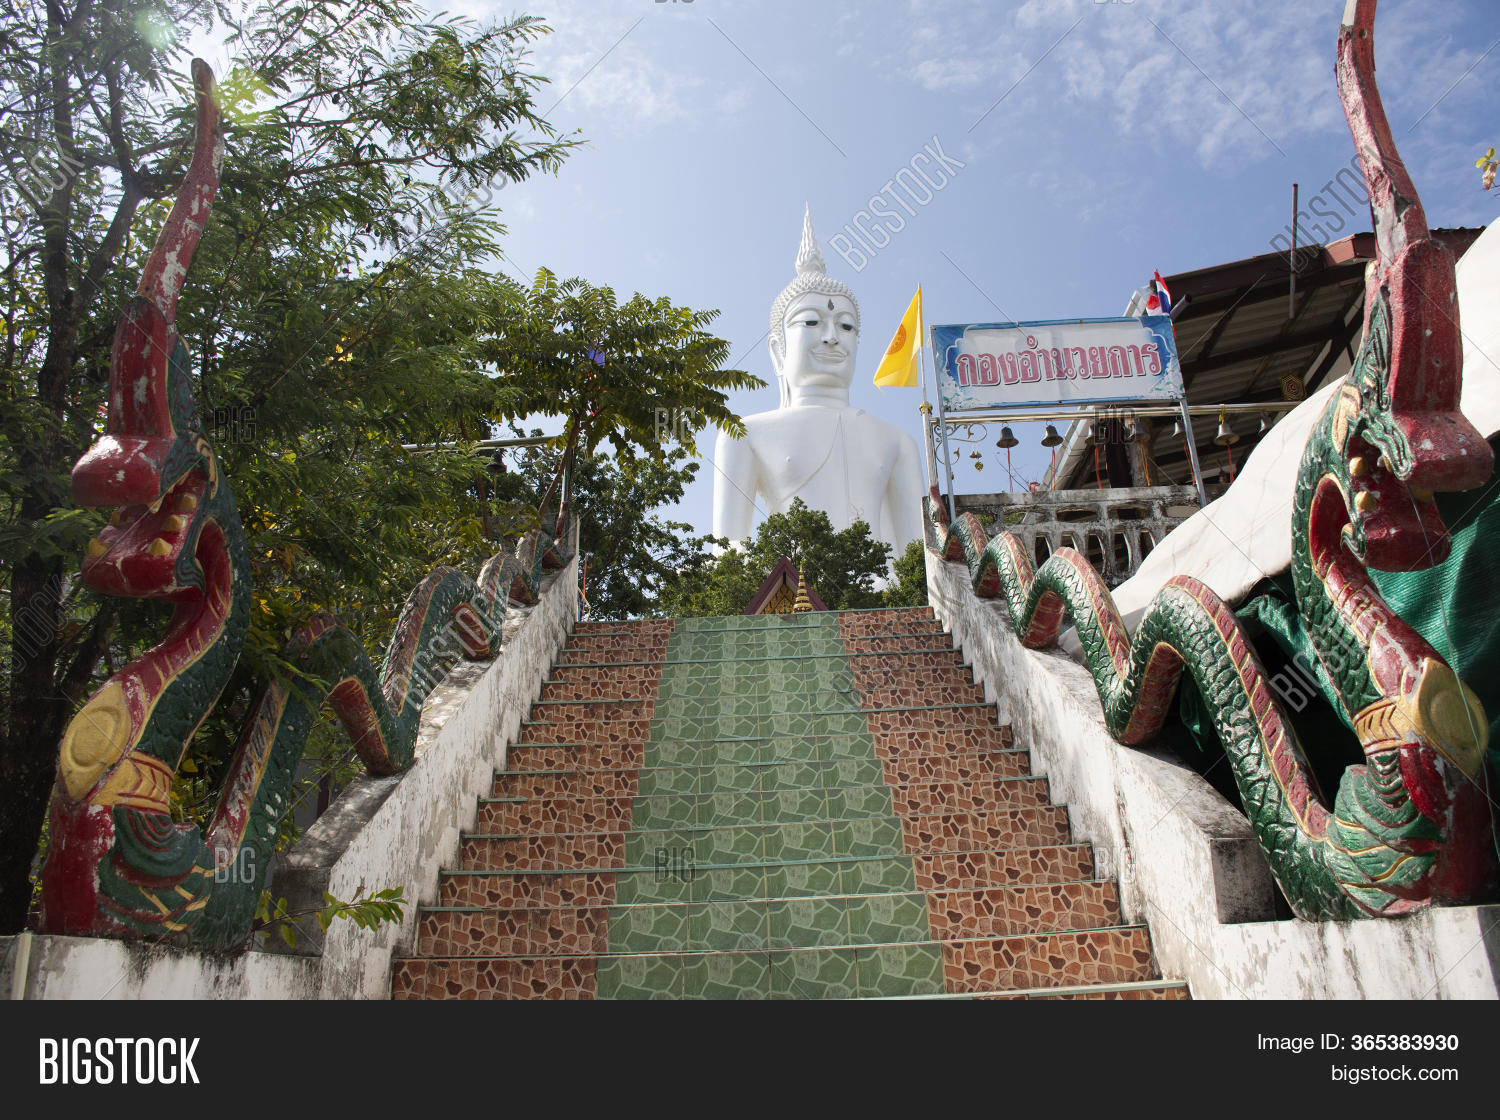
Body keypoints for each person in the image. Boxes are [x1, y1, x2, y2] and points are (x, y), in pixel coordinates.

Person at [713, 207, 924, 553]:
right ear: (777, 350)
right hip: (788, 582)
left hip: (882, 585)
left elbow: (919, 554)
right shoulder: (743, 434)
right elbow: (726, 550)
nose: (831, 337)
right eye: (811, 322)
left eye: (846, 326)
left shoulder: (898, 442)